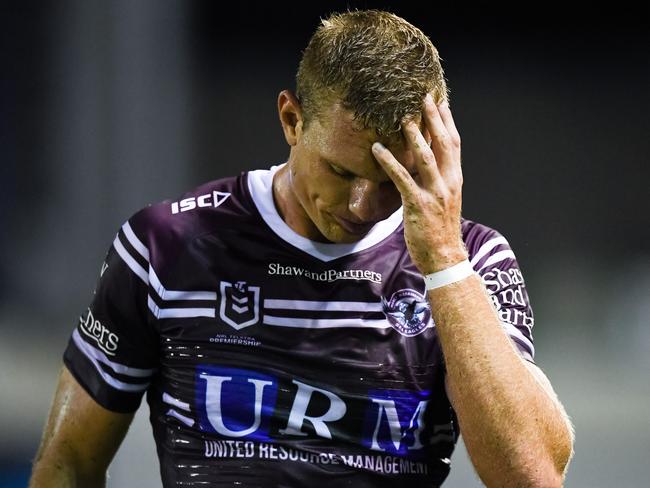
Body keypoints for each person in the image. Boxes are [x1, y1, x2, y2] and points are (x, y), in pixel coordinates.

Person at [29, 9, 574, 488]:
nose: (363, 205)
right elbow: (70, 462)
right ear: (292, 120)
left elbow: (531, 478)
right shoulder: (167, 247)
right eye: (341, 171)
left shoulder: (473, 263)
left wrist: (444, 262)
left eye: (391, 178)